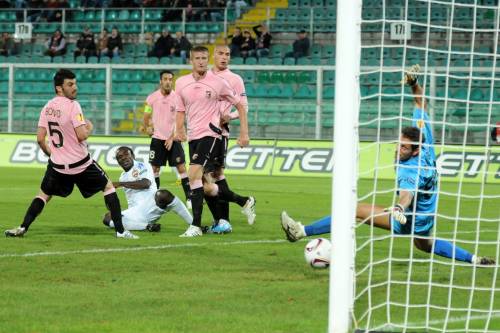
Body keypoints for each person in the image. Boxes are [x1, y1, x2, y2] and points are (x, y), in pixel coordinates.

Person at [280, 65, 495, 266]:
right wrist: (413, 84)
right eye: (399, 144)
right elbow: (420, 102)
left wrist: (400, 207)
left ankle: (299, 231)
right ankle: (475, 259)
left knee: (354, 210)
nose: (398, 150)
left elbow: (407, 193)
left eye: (404, 148)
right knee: (425, 245)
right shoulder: (425, 139)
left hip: (410, 217)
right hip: (426, 214)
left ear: (415, 151)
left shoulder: (409, 169)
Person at [4, 69, 137, 239]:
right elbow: (82, 135)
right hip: (81, 164)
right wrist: (90, 127)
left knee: (43, 195)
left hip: (57, 165)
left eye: (75, 83)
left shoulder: (47, 107)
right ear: (59, 88)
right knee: (108, 187)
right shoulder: (73, 106)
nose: (75, 87)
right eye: (70, 84)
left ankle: (22, 228)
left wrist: (53, 156)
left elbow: (39, 139)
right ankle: (121, 231)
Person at [174, 45, 250, 237]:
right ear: (191, 60)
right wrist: (179, 129)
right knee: (205, 182)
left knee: (195, 174)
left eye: (203, 58)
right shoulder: (181, 82)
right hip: (193, 136)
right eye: (197, 58)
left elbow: (241, 105)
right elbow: (180, 108)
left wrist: (243, 133)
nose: (201, 61)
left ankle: (197, 226)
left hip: (213, 134)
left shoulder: (220, 82)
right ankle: (242, 202)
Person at [203, 44, 256, 234]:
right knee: (217, 178)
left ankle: (239, 205)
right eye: (220, 53)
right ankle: (223, 221)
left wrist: (230, 116)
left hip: (218, 134)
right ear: (213, 56)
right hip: (200, 133)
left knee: (204, 180)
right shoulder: (205, 77)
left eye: (227, 54)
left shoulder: (235, 79)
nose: (224, 57)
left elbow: (244, 107)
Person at [103, 146, 193, 233]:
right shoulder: (122, 177)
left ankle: (194, 224)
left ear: (133, 156)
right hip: (135, 212)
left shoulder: (143, 166)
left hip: (151, 205)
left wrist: (121, 184)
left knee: (163, 194)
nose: (123, 158)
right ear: (118, 161)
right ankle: (147, 226)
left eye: (126, 154)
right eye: (120, 157)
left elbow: (146, 184)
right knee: (107, 217)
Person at [143, 70, 191, 204]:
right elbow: (146, 114)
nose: (168, 82)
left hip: (174, 139)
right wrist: (147, 126)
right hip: (157, 139)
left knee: (181, 168)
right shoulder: (152, 98)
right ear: (160, 81)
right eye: (165, 79)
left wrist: (172, 137)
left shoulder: (178, 98)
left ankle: (189, 198)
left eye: (170, 79)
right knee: (154, 169)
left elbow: (179, 121)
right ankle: (154, 198)